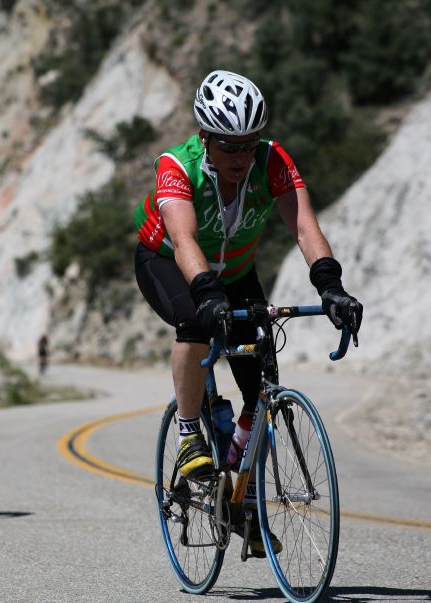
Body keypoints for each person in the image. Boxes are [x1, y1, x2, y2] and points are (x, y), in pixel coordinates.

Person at [133, 70, 362, 554]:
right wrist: (207, 294)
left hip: (235, 273)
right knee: (194, 323)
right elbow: (185, 240)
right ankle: (190, 434)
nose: (240, 157)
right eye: (227, 145)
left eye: (248, 144)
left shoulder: (272, 161)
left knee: (261, 386)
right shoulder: (178, 165)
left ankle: (240, 496)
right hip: (169, 263)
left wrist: (331, 285)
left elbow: (303, 226)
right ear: (204, 138)